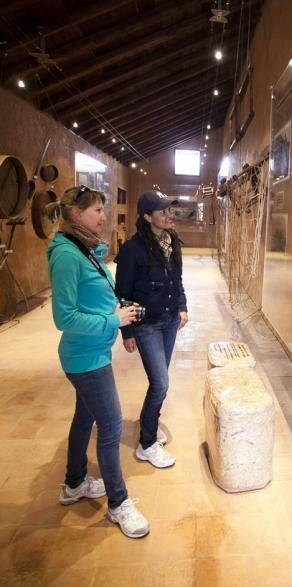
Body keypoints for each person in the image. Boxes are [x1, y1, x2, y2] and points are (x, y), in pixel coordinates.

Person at [47, 185, 149, 539]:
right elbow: (64, 317)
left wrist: (117, 312)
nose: (103, 216)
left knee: (84, 417)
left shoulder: (82, 248)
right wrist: (114, 320)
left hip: (93, 351)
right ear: (76, 214)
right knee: (110, 428)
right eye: (96, 211)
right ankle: (119, 504)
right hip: (85, 357)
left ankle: (74, 483)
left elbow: (91, 301)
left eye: (103, 210)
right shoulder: (66, 255)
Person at [115, 190, 188, 469]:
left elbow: (177, 280)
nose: (170, 215)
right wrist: (128, 331)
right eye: (163, 211)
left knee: (159, 381)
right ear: (147, 217)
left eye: (170, 210)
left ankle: (149, 422)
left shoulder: (172, 242)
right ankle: (147, 443)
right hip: (146, 325)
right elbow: (123, 293)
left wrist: (182, 306)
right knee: (161, 383)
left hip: (169, 321)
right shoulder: (133, 250)